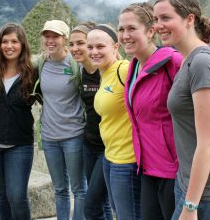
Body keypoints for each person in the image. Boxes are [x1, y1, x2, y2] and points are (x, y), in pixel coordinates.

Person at [119, 2, 210, 220]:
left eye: (131, 28)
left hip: (174, 170)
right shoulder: (133, 66)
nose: (125, 35)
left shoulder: (174, 60)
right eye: (121, 29)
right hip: (147, 168)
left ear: (150, 31)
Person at [153, 0, 210, 220]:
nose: (158, 25)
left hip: (209, 191)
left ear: (190, 19)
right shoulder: (187, 59)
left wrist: (190, 206)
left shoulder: (202, 62)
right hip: (190, 182)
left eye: (166, 18)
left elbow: (208, 143)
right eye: (155, 19)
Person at [0, 23, 35, 220]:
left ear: (22, 45)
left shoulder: (32, 72)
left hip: (19, 144)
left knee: (17, 196)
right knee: (2, 196)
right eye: (5, 41)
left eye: (14, 41)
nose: (9, 46)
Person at [88, 24, 141, 220]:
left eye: (100, 47)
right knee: (118, 213)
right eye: (90, 47)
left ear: (115, 47)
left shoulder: (124, 69)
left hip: (126, 159)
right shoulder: (104, 73)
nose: (94, 52)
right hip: (110, 156)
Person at [36, 20, 87, 220]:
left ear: (65, 39)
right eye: (47, 36)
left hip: (73, 135)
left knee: (79, 188)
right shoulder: (41, 63)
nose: (50, 41)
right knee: (59, 188)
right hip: (49, 137)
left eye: (55, 36)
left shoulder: (76, 65)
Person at [69, 22, 113, 220]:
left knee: (92, 204)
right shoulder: (80, 72)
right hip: (89, 143)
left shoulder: (108, 71)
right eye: (72, 44)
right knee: (100, 202)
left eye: (82, 43)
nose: (76, 48)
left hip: (109, 147)